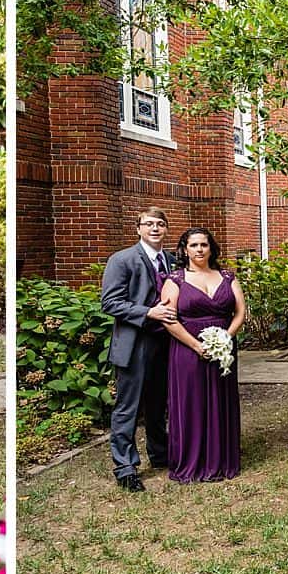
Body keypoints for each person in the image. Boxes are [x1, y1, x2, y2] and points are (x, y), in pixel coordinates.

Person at [98, 209, 177, 491]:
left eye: (160, 224)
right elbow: (110, 303)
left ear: (166, 229)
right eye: (149, 224)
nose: (155, 228)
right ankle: (126, 466)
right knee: (128, 407)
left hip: (165, 342)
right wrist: (148, 312)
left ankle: (160, 454)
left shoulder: (170, 261)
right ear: (138, 229)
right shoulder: (122, 260)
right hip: (135, 342)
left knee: (159, 404)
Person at [159, 227, 244, 484]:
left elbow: (240, 312)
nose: (199, 250)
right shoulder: (175, 279)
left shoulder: (227, 276)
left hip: (224, 349)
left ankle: (221, 458)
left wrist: (226, 337)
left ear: (211, 248)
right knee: (191, 401)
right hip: (187, 349)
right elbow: (169, 319)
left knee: (221, 399)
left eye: (203, 245)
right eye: (193, 245)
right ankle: (193, 460)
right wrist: (196, 346)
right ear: (185, 249)